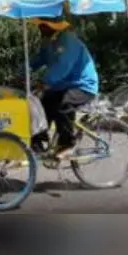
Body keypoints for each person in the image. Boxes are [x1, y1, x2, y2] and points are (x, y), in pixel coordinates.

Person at [28, 16, 99, 159]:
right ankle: (39, 141)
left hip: (83, 86)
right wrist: (22, 71)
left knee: (63, 103)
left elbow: (63, 66)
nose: (39, 28)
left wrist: (45, 82)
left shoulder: (67, 40)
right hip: (64, 85)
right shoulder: (49, 42)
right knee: (41, 103)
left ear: (52, 26)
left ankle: (68, 144)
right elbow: (39, 59)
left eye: (42, 26)